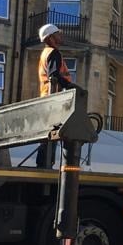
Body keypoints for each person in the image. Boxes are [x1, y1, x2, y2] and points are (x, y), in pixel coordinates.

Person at [36, 23, 76, 167]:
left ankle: (43, 163)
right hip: (54, 98)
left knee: (49, 133)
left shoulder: (45, 53)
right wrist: (70, 86)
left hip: (47, 98)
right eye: (58, 34)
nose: (61, 36)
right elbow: (54, 75)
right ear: (51, 38)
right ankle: (46, 163)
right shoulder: (54, 53)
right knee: (54, 132)